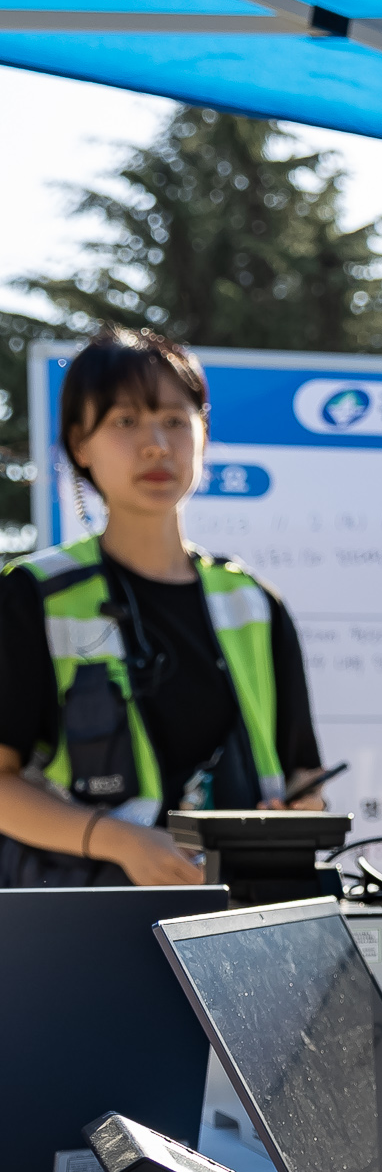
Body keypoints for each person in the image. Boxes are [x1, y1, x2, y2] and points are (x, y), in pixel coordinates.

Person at [0, 329, 328, 887]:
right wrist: (120, 840)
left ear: (203, 434)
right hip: (82, 925)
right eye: (125, 421)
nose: (156, 444)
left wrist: (296, 815)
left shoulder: (253, 600)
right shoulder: (31, 594)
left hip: (243, 918)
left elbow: (303, 776)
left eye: (176, 420)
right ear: (80, 445)